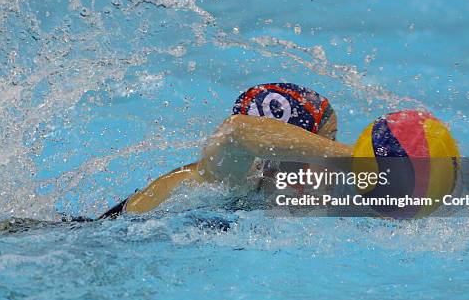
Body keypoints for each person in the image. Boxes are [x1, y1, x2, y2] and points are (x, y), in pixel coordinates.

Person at [99, 83, 352, 218]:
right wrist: (351, 154)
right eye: (327, 140)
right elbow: (237, 130)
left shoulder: (271, 189)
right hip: (92, 246)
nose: (326, 154)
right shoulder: (228, 177)